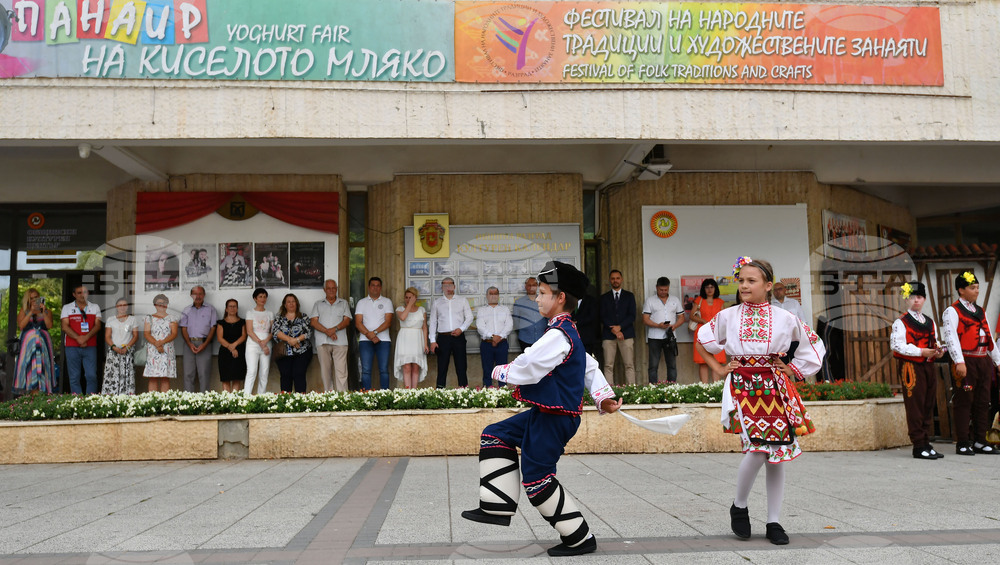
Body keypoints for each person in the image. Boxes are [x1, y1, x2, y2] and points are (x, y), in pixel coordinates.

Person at [461, 261, 621, 557]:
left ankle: (580, 538)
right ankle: (497, 505)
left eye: (543, 292)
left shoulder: (559, 334)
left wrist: (499, 372)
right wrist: (603, 397)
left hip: (556, 417)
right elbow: (588, 364)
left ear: (560, 298)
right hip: (549, 413)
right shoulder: (564, 331)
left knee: (537, 478)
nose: (537, 297)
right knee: (495, 435)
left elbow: (531, 365)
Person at [695, 257, 825, 546]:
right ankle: (739, 505)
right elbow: (702, 338)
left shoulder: (785, 318)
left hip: (775, 386)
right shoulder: (728, 316)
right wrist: (717, 369)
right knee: (757, 449)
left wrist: (794, 369)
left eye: (751, 281)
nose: (744, 285)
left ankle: (773, 521)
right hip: (744, 386)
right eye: (741, 280)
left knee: (777, 455)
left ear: (768, 285)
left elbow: (813, 343)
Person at [941, 271, 1000, 455]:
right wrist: (959, 361)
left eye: (977, 287)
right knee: (964, 400)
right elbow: (951, 338)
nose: (977, 291)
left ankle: (980, 441)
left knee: (983, 401)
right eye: (972, 288)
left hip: (983, 360)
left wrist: (997, 361)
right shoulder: (952, 311)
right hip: (966, 360)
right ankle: (963, 442)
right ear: (961, 290)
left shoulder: (980, 311)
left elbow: (989, 335)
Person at [890, 281, 946, 460]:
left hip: (928, 364)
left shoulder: (929, 321)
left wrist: (937, 351)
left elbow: (934, 340)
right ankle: (918, 444)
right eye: (912, 297)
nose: (916, 300)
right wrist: (920, 351)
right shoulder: (901, 322)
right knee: (915, 404)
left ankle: (926, 442)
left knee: (928, 403)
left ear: (924, 299)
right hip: (911, 366)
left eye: (919, 297)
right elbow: (897, 345)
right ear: (906, 299)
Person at [429, 277, 473, 388]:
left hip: (459, 337)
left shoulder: (462, 300)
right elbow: (433, 322)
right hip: (443, 338)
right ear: (442, 288)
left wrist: (461, 329)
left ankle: (464, 392)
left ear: (454, 286)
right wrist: (433, 341)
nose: (448, 287)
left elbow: (469, 317)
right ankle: (440, 392)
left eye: (450, 285)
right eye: (445, 285)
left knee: (461, 366)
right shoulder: (437, 303)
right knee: (442, 367)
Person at [310, 279, 353, 392]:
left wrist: (334, 329)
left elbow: (347, 320)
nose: (331, 290)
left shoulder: (343, 303)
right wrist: (327, 331)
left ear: (337, 289)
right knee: (325, 372)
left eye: (334, 288)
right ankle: (329, 397)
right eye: (328, 288)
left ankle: (342, 397)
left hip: (340, 342)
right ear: (324, 290)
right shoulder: (318, 304)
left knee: (341, 372)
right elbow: (313, 322)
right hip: (323, 342)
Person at [61, 283, 103, 394]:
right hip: (71, 346)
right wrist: (78, 338)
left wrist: (85, 338)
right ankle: (77, 401)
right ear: (74, 294)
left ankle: (91, 400)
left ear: (88, 293)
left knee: (91, 375)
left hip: (90, 346)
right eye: (79, 293)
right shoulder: (67, 308)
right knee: (74, 376)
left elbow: (98, 325)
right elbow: (64, 326)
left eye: (84, 292)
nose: (82, 295)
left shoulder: (95, 307)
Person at [641, 276, 685, 384]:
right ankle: (653, 388)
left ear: (668, 288)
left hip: (670, 336)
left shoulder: (675, 300)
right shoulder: (650, 300)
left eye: (665, 290)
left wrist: (674, 326)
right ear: (656, 287)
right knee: (653, 365)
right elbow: (645, 319)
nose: (663, 292)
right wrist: (658, 325)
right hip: (654, 337)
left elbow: (682, 317)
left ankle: (671, 387)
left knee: (672, 364)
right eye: (661, 290)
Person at [14, 288, 55, 394]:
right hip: (28, 348)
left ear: (40, 297)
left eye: (36, 297)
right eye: (31, 298)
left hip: (43, 347)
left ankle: (42, 395)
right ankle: (30, 397)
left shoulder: (47, 311)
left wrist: (43, 312)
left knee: (42, 368)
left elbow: (49, 325)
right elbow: (21, 326)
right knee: (30, 369)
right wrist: (31, 312)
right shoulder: (24, 311)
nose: (34, 300)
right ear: (27, 300)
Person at [355, 277, 394, 390]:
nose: (375, 288)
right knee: (366, 370)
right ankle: (367, 397)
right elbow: (358, 323)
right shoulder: (361, 302)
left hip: (384, 340)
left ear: (381, 287)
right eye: (373, 285)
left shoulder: (387, 301)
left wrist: (375, 333)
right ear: (368, 287)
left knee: (384, 370)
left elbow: (388, 322)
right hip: (365, 341)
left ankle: (384, 396)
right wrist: (370, 335)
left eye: (378, 285)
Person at [599, 269, 637, 384]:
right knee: (608, 365)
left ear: (622, 279)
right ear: (610, 280)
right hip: (609, 335)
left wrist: (620, 327)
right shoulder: (604, 297)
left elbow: (632, 315)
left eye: (617, 278)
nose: (615, 281)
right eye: (613, 278)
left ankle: (631, 391)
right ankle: (609, 393)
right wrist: (614, 330)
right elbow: (602, 316)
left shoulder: (629, 296)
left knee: (629, 364)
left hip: (626, 334)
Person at [179, 286, 218, 393]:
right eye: (195, 294)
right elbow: (183, 328)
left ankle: (204, 402)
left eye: (200, 293)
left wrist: (204, 344)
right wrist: (189, 343)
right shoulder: (186, 310)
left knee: (204, 374)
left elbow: (213, 328)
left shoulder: (211, 309)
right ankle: (188, 401)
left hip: (204, 343)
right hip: (189, 344)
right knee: (188, 373)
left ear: (204, 295)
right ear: (191, 295)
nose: (198, 296)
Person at [273, 293, 312, 393]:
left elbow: (308, 333)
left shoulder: (304, 317)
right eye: (288, 302)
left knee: (299, 374)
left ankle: (301, 401)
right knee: (285, 375)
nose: (291, 304)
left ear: (297, 303)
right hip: (284, 352)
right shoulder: (279, 317)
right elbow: (275, 332)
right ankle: (287, 402)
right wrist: (290, 340)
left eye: (293, 301)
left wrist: (297, 340)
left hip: (302, 351)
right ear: (285, 305)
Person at [691, 278, 728, 383]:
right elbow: (692, 316)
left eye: (712, 287)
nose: (709, 289)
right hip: (701, 331)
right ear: (703, 289)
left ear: (715, 288)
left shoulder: (720, 302)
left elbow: (724, 318)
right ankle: (705, 386)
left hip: (716, 333)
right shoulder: (699, 300)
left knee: (717, 359)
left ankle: (716, 386)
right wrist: (703, 320)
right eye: (707, 287)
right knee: (702, 361)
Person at [476, 286, 512, 387]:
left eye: (495, 293)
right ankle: (487, 394)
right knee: (487, 371)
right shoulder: (481, 310)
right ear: (487, 296)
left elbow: (509, 325)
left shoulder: (505, 309)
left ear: (498, 296)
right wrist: (492, 337)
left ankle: (503, 393)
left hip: (502, 344)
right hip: (487, 345)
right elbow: (480, 327)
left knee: (503, 371)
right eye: (491, 294)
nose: (493, 296)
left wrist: (499, 337)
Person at [102, 298, 138, 395]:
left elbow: (135, 336)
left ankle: (126, 396)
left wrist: (127, 348)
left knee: (127, 375)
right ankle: (111, 397)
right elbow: (107, 336)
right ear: (116, 307)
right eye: (120, 305)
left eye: (125, 305)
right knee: (112, 375)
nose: (122, 307)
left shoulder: (132, 319)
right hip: (113, 352)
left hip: (127, 352)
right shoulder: (110, 319)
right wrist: (114, 347)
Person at [394, 287, 428, 389]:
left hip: (417, 339)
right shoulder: (400, 309)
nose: (408, 299)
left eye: (411, 297)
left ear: (415, 298)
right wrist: (409, 305)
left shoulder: (422, 310)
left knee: (416, 366)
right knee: (406, 366)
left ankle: (414, 391)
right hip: (405, 338)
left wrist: (426, 344)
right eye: (406, 297)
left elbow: (424, 327)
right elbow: (403, 317)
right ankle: (408, 391)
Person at [143, 294, 179, 392]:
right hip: (153, 350)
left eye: (163, 303)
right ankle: (152, 401)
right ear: (155, 304)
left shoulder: (172, 318)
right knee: (152, 376)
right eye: (159, 303)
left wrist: (161, 342)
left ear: (167, 305)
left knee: (165, 376)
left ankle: (164, 402)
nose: (161, 305)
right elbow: (146, 334)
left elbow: (174, 333)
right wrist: (156, 344)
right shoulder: (149, 317)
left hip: (167, 349)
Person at [244, 288, 274, 394]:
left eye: (264, 297)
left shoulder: (270, 313)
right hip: (253, 345)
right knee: (252, 371)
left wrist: (265, 342)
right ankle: (246, 398)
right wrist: (261, 343)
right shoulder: (250, 312)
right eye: (260, 297)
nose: (263, 299)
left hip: (267, 344)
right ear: (255, 298)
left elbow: (273, 331)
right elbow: (249, 331)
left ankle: (261, 397)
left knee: (264, 372)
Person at [216, 298, 247, 392]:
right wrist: (231, 348)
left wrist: (234, 345)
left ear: (237, 309)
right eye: (230, 306)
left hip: (239, 352)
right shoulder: (221, 323)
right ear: (226, 309)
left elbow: (243, 336)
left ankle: (234, 401)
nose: (232, 308)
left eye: (234, 306)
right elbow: (220, 338)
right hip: (225, 353)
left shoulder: (242, 322)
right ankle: (227, 402)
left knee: (237, 378)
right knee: (225, 378)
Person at [512, 277, 545, 350]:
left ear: (537, 286)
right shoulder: (519, 302)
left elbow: (549, 318)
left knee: (540, 361)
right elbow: (516, 321)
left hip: (542, 339)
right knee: (527, 361)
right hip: (525, 339)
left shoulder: (544, 301)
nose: (531, 287)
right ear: (525, 286)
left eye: (533, 285)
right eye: (529, 285)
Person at [572, 285, 601, 357]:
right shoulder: (570, 301)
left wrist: (577, 322)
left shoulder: (591, 300)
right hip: (572, 339)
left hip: (586, 338)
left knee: (587, 361)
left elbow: (592, 316)